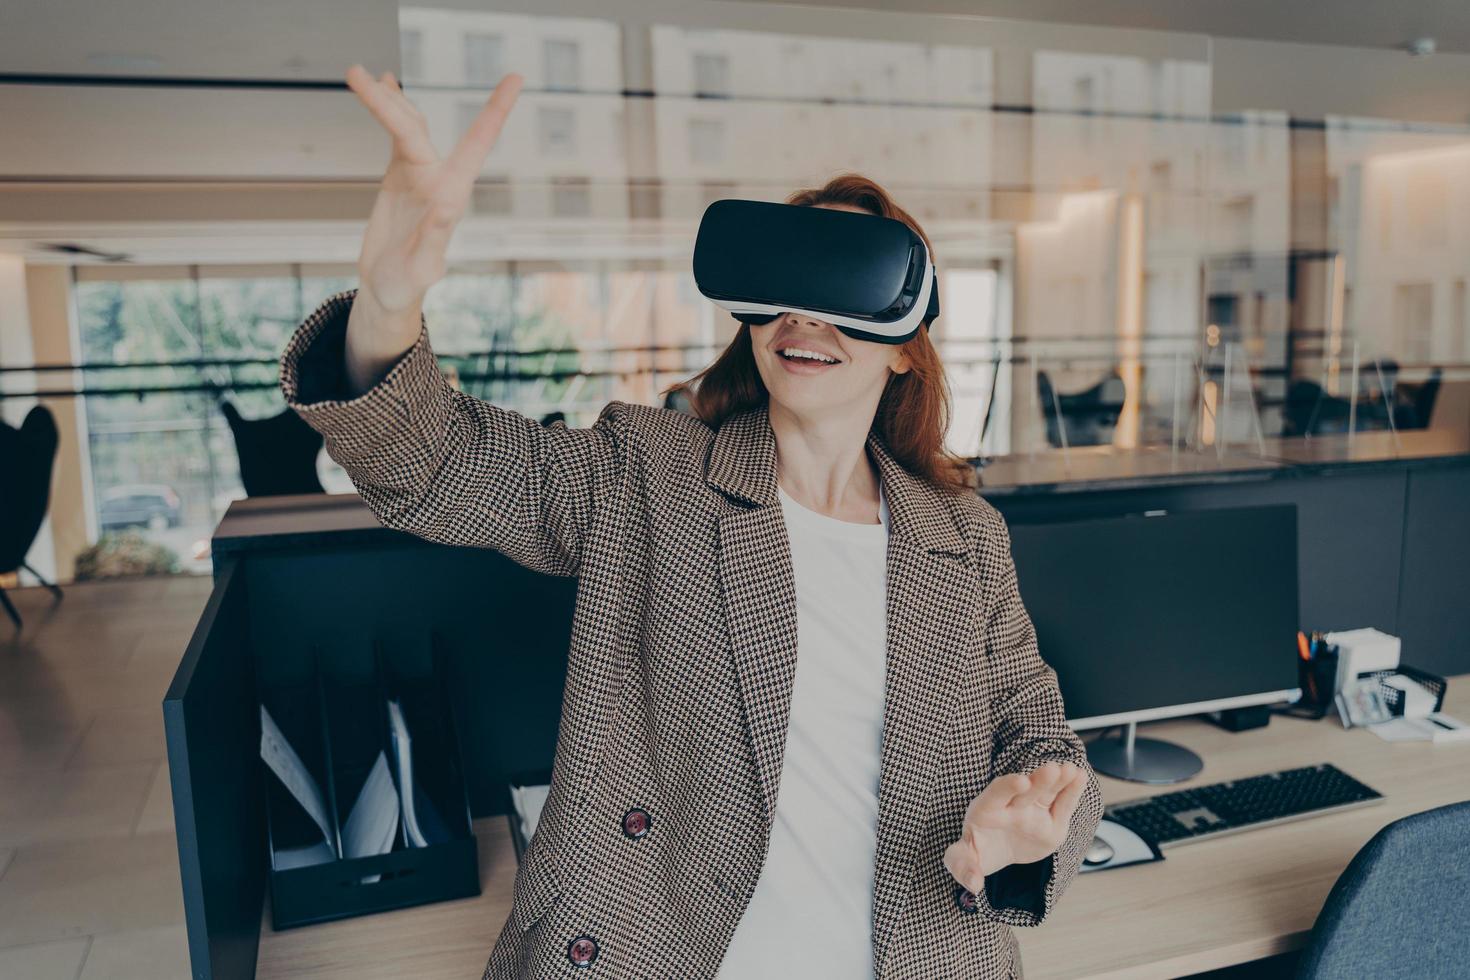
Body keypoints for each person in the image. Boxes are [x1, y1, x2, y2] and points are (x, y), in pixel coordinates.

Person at [279, 65, 1104, 980]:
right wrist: (388, 303)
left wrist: (1030, 833)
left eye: (847, 291)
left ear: (908, 348)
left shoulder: (966, 539)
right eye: (785, 286)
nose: (805, 317)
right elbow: (434, 466)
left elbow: (1045, 744)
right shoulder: (649, 477)